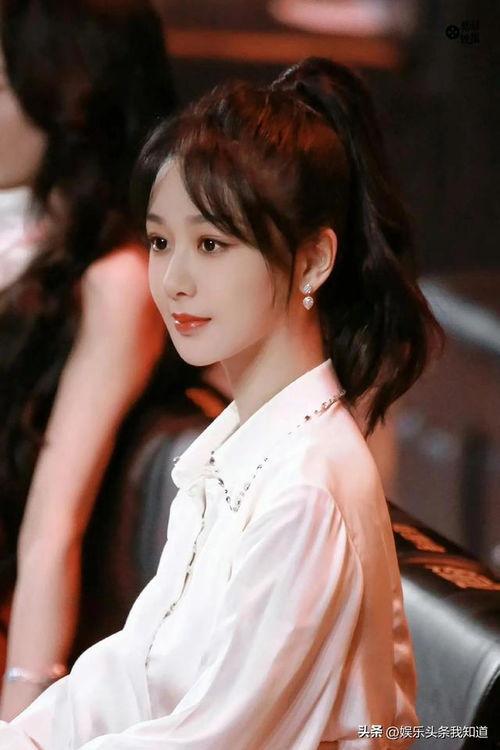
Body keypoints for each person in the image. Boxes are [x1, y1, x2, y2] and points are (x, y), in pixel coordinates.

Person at [0, 56, 443, 748]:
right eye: (160, 241)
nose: (173, 279)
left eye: (210, 244)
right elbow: (134, 670)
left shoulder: (305, 489)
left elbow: (214, 737)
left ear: (313, 261)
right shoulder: (234, 449)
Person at [0, 0, 175, 720]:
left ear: (68, 97)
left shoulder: (118, 281)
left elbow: (52, 529)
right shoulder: (25, 235)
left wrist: (19, 713)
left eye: (0, 82)